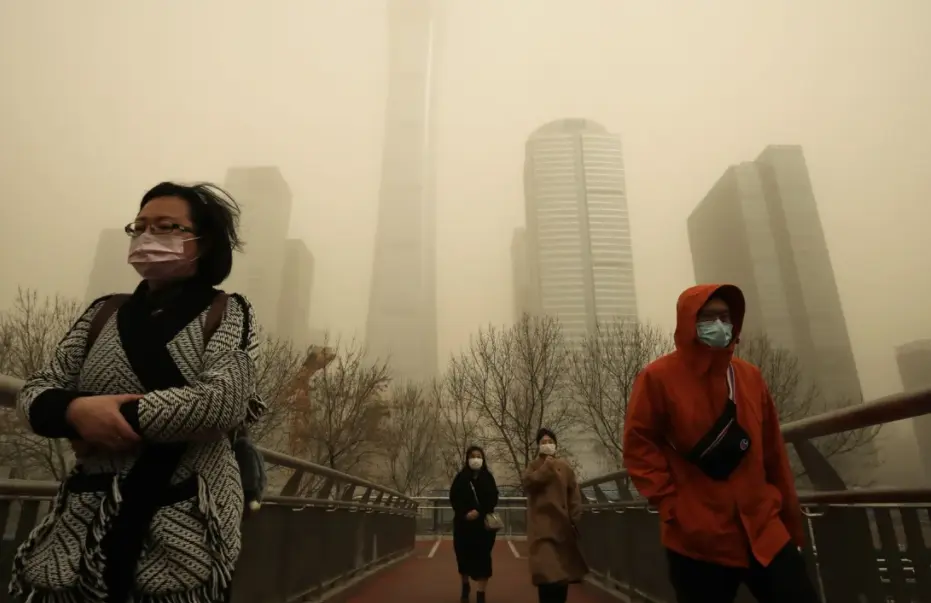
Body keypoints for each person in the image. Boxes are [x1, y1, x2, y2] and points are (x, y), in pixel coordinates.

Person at [11, 182, 266, 603]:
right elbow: (38, 388)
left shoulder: (230, 312)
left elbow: (223, 401)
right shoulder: (102, 312)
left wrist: (107, 418)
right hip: (87, 516)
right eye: (140, 226)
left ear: (204, 243)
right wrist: (74, 411)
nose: (149, 237)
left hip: (185, 518)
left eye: (167, 226)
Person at [622, 284, 820, 603]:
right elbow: (639, 444)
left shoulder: (749, 377)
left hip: (764, 530)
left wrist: (791, 525)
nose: (718, 325)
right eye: (708, 317)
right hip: (698, 539)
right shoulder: (657, 378)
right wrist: (673, 507)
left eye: (725, 317)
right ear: (689, 322)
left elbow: (773, 454)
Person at [521, 428, 588, 603]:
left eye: (550, 441)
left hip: (562, 528)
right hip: (542, 529)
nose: (547, 445)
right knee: (547, 573)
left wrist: (575, 516)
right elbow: (528, 484)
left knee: (561, 576)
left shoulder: (564, 466)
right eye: (543, 442)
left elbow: (573, 491)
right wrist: (547, 467)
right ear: (538, 446)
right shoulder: (534, 466)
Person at [449, 445, 499, 603]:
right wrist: (465, 513)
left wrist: (480, 511)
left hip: (483, 527)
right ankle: (465, 585)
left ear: (483, 459)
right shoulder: (461, 477)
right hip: (464, 526)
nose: (475, 459)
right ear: (467, 459)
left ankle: (480, 594)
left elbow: (493, 498)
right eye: (472, 456)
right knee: (463, 557)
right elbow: (454, 498)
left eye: (478, 456)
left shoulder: (488, 477)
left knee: (483, 559)